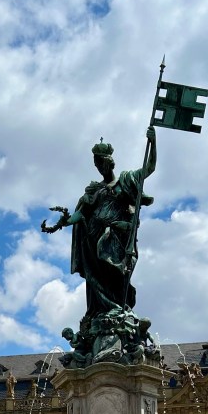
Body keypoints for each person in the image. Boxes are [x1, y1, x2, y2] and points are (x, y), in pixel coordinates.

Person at [42, 127, 156, 321]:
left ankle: (118, 309)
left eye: (102, 163)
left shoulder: (126, 180)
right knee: (97, 278)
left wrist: (153, 142)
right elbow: (81, 214)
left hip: (116, 240)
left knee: (115, 274)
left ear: (110, 163)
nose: (100, 168)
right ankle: (103, 312)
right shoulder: (95, 190)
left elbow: (150, 168)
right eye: (97, 165)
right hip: (92, 241)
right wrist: (61, 223)